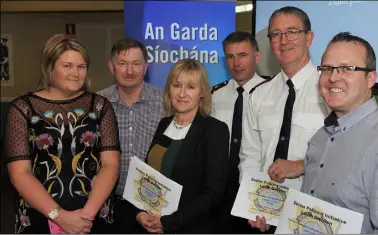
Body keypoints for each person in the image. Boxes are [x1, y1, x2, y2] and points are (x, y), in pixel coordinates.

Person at [254, 32, 378, 233]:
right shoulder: (322, 137)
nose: (333, 77)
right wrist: (275, 213)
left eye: (347, 68)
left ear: (371, 78)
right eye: (327, 69)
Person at [4, 34, 120, 234]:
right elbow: (19, 173)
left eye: (81, 66)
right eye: (67, 66)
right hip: (40, 217)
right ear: (50, 67)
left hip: (92, 219)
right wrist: (60, 216)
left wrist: (85, 218)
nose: (76, 73)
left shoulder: (100, 106)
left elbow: (110, 164)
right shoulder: (23, 109)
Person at [240, 6, 329, 230]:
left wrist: (301, 165)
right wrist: (252, 206)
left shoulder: (330, 90)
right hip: (266, 213)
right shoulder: (258, 95)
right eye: (276, 34)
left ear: (309, 38)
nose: (284, 40)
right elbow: (250, 156)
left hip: (314, 217)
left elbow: (347, 156)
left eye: (292, 32)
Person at [133, 59, 230, 233]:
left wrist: (168, 222)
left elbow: (214, 194)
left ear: (202, 92)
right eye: (176, 85)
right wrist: (140, 212)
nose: (182, 93)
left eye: (191, 87)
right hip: (154, 225)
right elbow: (149, 176)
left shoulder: (215, 130)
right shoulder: (164, 124)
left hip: (192, 228)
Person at [97, 38, 164, 233]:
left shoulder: (166, 103)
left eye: (136, 64)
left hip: (153, 207)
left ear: (146, 67)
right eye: (122, 64)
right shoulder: (97, 104)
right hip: (107, 205)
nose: (129, 71)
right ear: (111, 67)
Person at [211, 31, 266, 233]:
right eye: (230, 57)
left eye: (243, 55)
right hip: (220, 188)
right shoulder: (215, 95)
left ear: (257, 57)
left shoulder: (271, 95)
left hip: (255, 187)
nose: (236, 63)